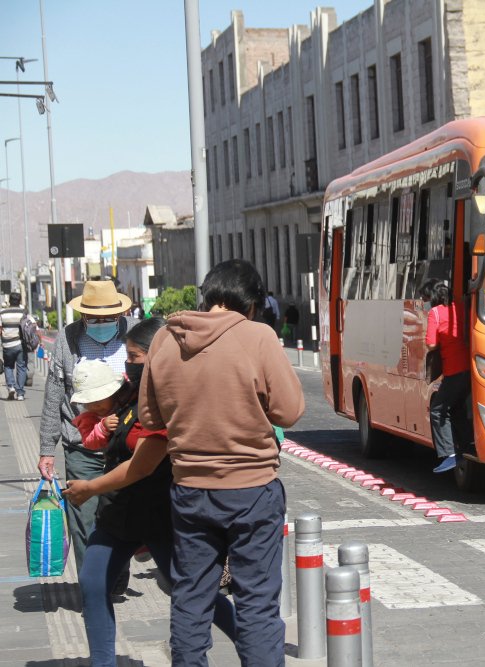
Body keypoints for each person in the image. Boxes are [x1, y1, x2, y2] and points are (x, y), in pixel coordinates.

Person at [138, 259, 304, 664]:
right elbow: (290, 411)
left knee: (191, 598)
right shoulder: (258, 337)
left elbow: (149, 418)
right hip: (253, 492)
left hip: (190, 491)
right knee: (257, 606)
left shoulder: (164, 339)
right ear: (251, 303)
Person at [63, 318, 238, 666]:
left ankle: (253, 639)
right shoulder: (128, 395)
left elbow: (141, 466)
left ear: (157, 355)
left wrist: (89, 488)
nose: (127, 364)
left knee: (191, 590)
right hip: (116, 517)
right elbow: (91, 420)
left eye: (134, 356)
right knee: (93, 583)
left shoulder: (169, 403)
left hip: (161, 519)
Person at [37, 279, 138, 568]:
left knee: (124, 519)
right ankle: (93, 586)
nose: (102, 322)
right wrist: (47, 448)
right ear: (83, 315)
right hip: (81, 447)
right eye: (95, 318)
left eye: (109, 317)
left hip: (127, 447)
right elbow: (54, 395)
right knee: (84, 522)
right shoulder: (68, 340)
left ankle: (115, 575)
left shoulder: (134, 333)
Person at [420, 279, 471, 474]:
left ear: (431, 297)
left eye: (424, 298)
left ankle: (449, 454)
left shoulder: (435, 312)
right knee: (456, 410)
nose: (424, 302)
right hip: (469, 369)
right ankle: (467, 447)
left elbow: (431, 343)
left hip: (453, 370)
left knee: (438, 410)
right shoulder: (459, 308)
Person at [69, 360, 125, 451]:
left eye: (99, 399)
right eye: (88, 401)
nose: (94, 405)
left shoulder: (127, 395)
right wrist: (103, 428)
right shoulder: (87, 418)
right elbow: (88, 441)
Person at [1, 292, 28, 401]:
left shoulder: (2, 312)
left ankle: (11, 387)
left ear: (9, 301)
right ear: (20, 301)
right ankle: (20, 393)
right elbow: (30, 327)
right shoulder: (23, 312)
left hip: (7, 344)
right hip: (20, 344)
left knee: (8, 366)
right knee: (21, 367)